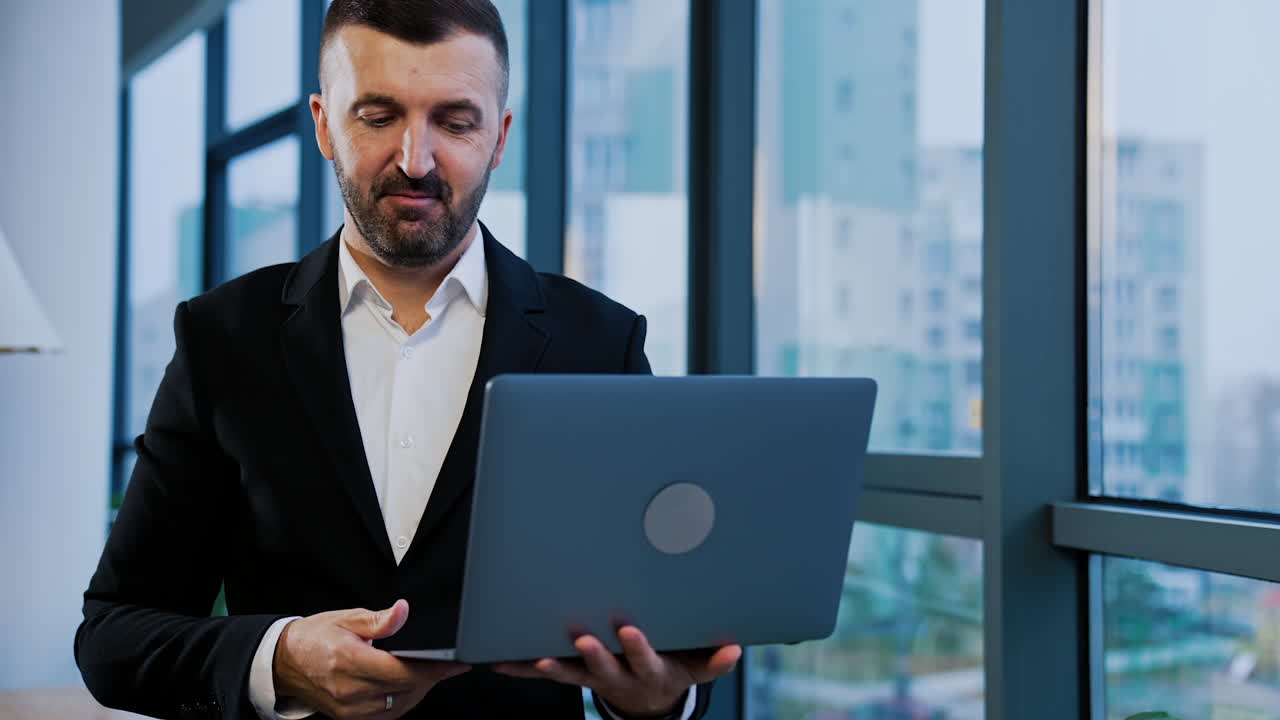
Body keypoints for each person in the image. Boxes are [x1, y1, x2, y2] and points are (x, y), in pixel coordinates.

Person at [74, 1, 740, 718]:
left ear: (499, 136)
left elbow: (658, 623)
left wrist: (656, 700)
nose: (415, 160)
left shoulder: (601, 342)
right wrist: (280, 658)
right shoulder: (222, 339)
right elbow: (114, 635)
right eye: (378, 116)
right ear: (325, 123)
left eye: (454, 122)